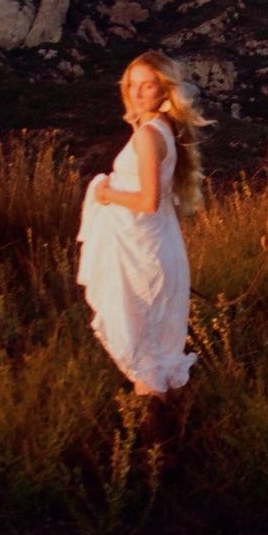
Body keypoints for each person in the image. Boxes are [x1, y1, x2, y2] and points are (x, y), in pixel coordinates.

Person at [77, 51, 207, 398]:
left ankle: (155, 442)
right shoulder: (164, 130)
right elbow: (168, 204)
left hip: (144, 258)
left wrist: (105, 194)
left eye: (146, 86)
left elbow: (148, 201)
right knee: (156, 352)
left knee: (146, 355)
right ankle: (170, 433)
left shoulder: (149, 135)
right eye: (132, 84)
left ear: (165, 91)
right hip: (156, 249)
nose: (136, 92)